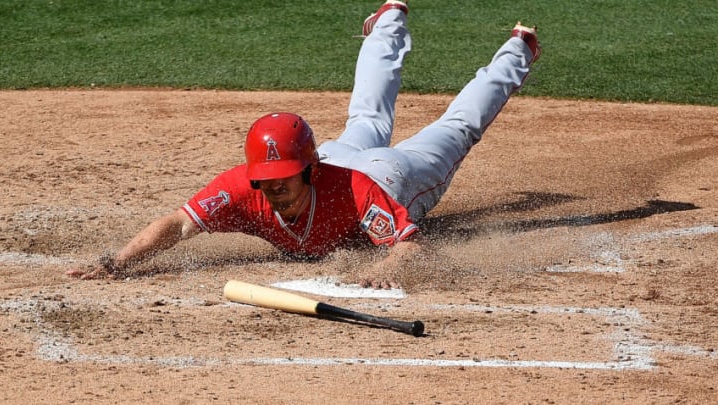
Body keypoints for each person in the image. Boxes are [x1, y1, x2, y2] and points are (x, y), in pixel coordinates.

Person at [66, 1, 541, 288]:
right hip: (338, 157)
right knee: (368, 116)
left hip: (389, 174)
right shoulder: (243, 186)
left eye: (284, 182)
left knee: (457, 129)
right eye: (266, 182)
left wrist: (390, 265)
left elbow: (411, 246)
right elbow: (176, 224)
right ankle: (391, 17)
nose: (274, 191)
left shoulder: (359, 194)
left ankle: (519, 48)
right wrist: (117, 263)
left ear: (308, 170)